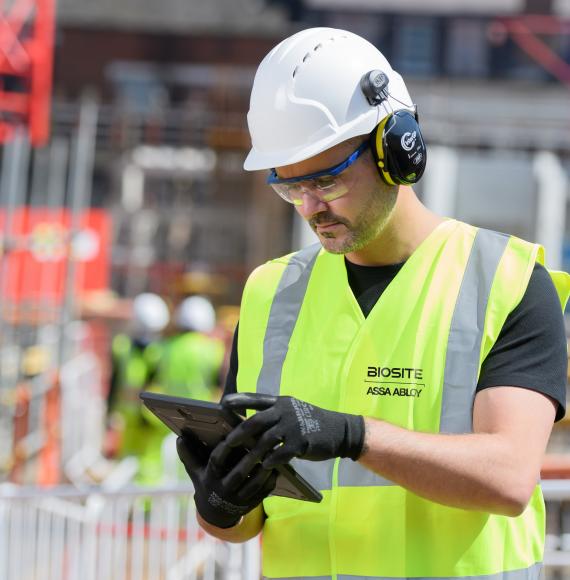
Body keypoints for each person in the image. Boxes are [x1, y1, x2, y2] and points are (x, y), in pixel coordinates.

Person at [176, 27, 570, 579]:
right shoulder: (269, 293)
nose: (310, 207)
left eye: (326, 181)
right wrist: (220, 503)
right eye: (289, 187)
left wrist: (349, 434)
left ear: (395, 148)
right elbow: (249, 526)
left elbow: (507, 477)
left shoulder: (507, 282)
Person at [107, 292, 170, 484]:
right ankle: (133, 508)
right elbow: (115, 381)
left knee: (150, 467)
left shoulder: (161, 351)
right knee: (129, 464)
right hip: (131, 419)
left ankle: (145, 508)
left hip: (151, 421)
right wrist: (109, 414)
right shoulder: (123, 347)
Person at [158, 295, 225, 402]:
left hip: (172, 410)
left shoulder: (168, 346)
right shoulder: (213, 348)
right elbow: (221, 381)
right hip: (203, 411)